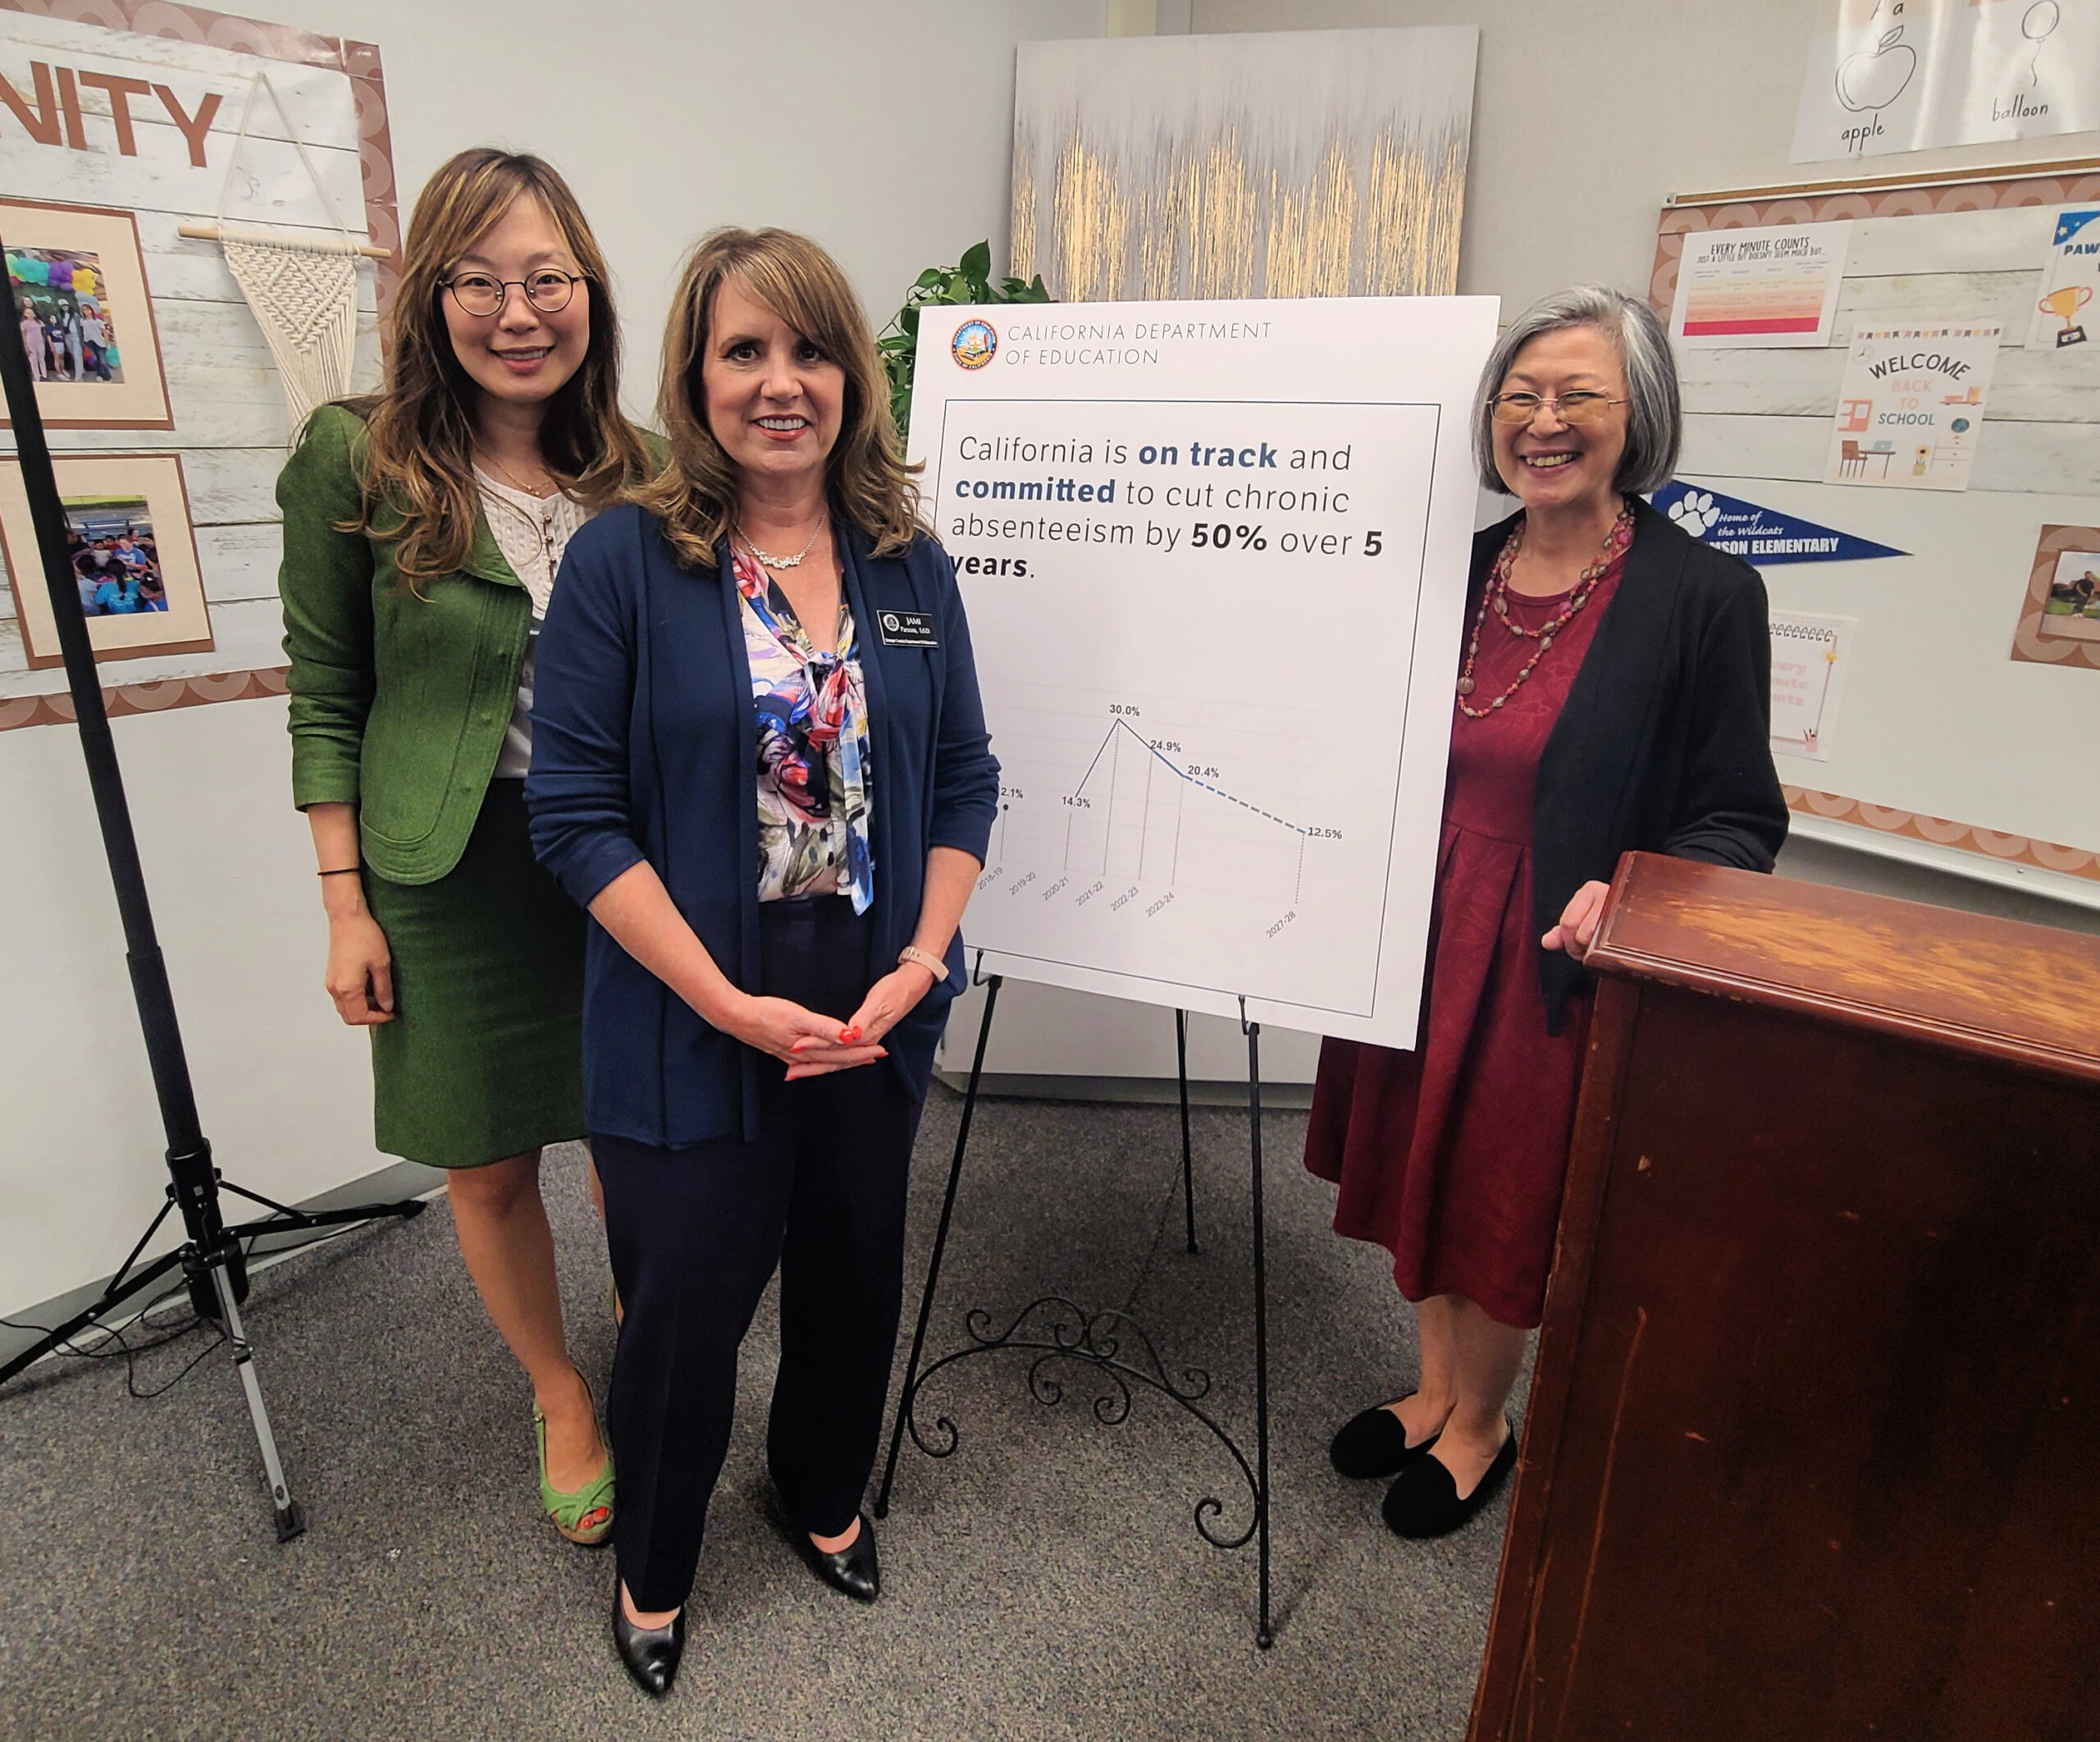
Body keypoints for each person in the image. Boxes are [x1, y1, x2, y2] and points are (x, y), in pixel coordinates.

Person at [527, 226, 999, 1699]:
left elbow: (970, 777)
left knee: (855, 1272)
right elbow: (576, 814)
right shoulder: (626, 557)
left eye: (808, 352)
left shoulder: (907, 561)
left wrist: (923, 960)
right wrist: (726, 1001)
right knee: (687, 1300)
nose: (780, 383)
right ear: (696, 376)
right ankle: (654, 1568)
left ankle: (818, 1490)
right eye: (745, 352)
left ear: (852, 378)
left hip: (873, 995)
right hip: (692, 1006)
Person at [1308, 285, 1787, 1540]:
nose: (1544, 419)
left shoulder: (1704, 596)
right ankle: (1429, 1389)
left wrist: (1625, 896)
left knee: (1495, 1196)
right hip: (1416, 929)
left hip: (1547, 954)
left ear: (1641, 417)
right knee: (1417, 1167)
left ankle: (1480, 1428)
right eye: (1521, 396)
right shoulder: (1458, 569)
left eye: (1578, 393)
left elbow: (1740, 819)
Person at [276, 148, 657, 1551]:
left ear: (589, 293)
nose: (518, 311)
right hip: (445, 873)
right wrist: (344, 908)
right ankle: (561, 1393)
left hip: (624, 865)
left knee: (634, 1133)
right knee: (489, 1162)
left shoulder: (649, 472)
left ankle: (643, 1306)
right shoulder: (356, 455)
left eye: (547, 278)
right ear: (432, 294)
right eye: (480, 280)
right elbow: (324, 692)